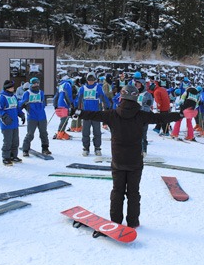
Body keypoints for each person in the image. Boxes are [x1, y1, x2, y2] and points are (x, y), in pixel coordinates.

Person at [60, 85, 184, 228]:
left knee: (117, 191)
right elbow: (161, 118)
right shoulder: (142, 115)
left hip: (118, 160)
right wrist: (180, 115)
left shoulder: (112, 114)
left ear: (121, 97)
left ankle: (115, 221)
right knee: (133, 193)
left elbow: (92, 114)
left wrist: (73, 111)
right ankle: (133, 222)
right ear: (136, 97)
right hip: (135, 161)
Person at [75, 72, 110, 156]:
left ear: (95, 80)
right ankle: (86, 148)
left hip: (96, 114)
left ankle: (97, 148)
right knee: (85, 132)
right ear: (87, 80)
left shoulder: (98, 88)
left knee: (97, 132)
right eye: (89, 80)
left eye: (92, 80)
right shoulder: (82, 89)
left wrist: (107, 106)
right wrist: (75, 108)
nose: (91, 81)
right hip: (86, 113)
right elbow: (78, 99)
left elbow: (104, 98)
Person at [0, 80, 25, 166]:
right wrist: (4, 116)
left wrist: (21, 115)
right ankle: (6, 157)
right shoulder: (2, 97)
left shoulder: (13, 96)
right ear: (7, 88)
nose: (13, 88)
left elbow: (17, 107)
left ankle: (13, 156)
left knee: (15, 141)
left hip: (15, 123)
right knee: (8, 141)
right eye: (11, 87)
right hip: (6, 124)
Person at [20, 77, 51, 156]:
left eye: (37, 83)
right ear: (31, 84)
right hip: (32, 117)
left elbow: (43, 103)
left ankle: (45, 148)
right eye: (34, 83)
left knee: (44, 133)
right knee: (30, 134)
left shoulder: (41, 92)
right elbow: (21, 103)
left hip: (42, 116)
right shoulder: (27, 93)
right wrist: (25, 107)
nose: (36, 85)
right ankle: (25, 149)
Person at [134, 76, 154, 157]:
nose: (137, 86)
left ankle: (143, 150)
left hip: (143, 116)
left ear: (142, 85)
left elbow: (148, 106)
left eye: (139, 84)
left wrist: (139, 107)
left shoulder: (147, 94)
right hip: (134, 116)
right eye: (136, 84)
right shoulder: (134, 93)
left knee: (143, 134)